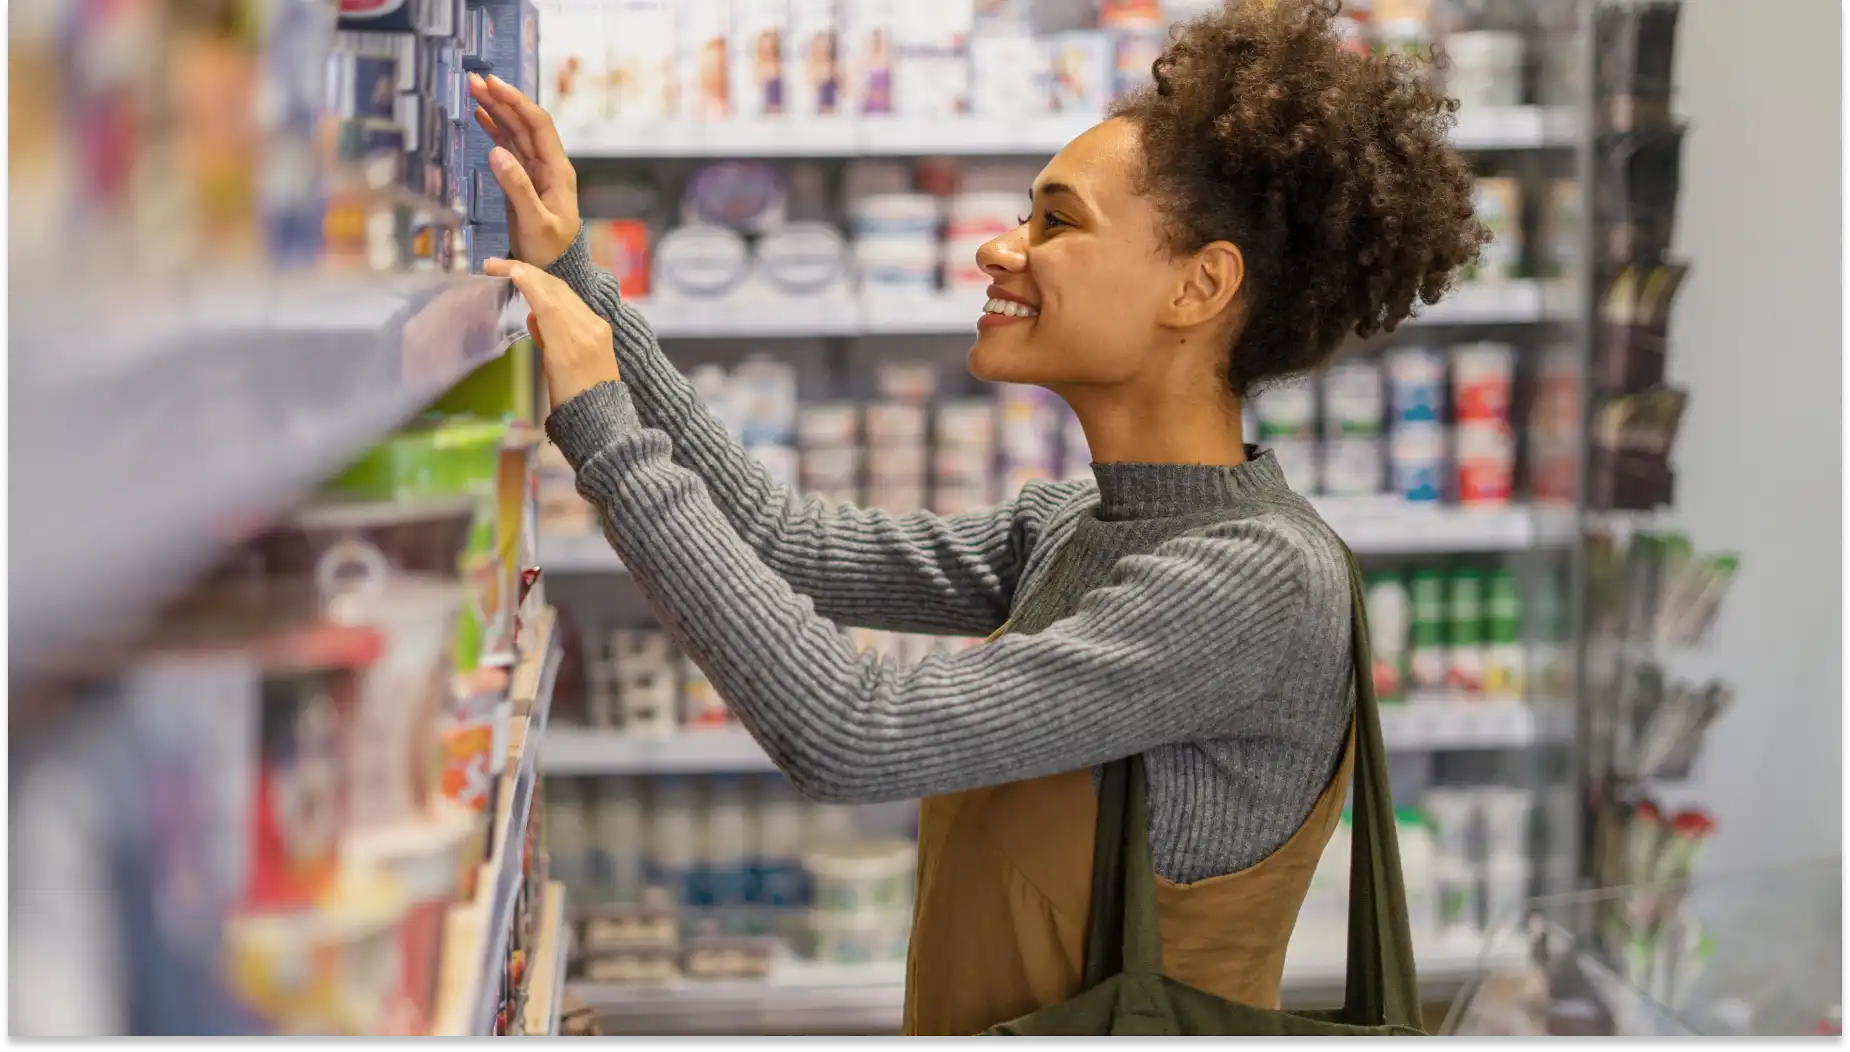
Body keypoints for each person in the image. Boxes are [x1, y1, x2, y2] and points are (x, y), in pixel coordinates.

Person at [467, 0, 1484, 1035]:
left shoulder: (1254, 578)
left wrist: (600, 422)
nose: (1000, 248)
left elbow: (852, 733)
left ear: (1199, 284)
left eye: (1056, 219)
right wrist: (575, 280)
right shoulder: (1079, 521)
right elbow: (786, 544)